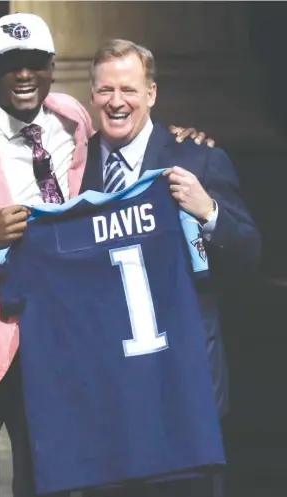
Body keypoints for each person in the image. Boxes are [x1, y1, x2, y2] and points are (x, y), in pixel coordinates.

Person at [0, 13, 217, 497]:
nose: (23, 76)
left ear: (50, 67)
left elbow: (126, 124)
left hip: (59, 341)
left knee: (48, 481)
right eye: (10, 64)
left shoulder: (73, 119)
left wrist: (181, 135)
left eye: (33, 63)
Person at [79, 39, 261, 497]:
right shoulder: (72, 170)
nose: (116, 101)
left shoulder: (197, 157)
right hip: (107, 396)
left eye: (129, 89)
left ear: (153, 94)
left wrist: (209, 211)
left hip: (187, 388)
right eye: (105, 91)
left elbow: (248, 252)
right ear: (91, 95)